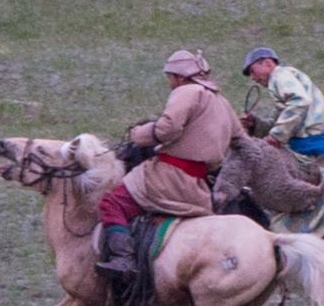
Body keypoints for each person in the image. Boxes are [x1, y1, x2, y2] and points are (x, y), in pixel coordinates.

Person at [95, 50, 246, 281]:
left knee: (111, 203)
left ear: (180, 77)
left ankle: (123, 260)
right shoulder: (223, 103)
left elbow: (168, 129)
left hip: (167, 178)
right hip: (198, 189)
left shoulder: (186, 91)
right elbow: (240, 139)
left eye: (171, 78)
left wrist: (139, 134)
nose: (170, 83)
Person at [239, 47, 324, 176]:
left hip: (309, 141)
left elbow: (300, 101)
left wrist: (277, 135)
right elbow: (279, 120)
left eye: (252, 71)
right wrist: (256, 123)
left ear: (267, 63)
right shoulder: (282, 81)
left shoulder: (280, 75)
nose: (252, 78)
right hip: (312, 139)